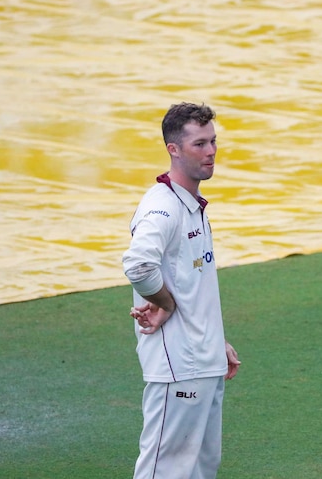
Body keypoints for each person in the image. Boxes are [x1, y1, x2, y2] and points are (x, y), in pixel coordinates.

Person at [122, 102, 241, 479]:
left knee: (202, 469)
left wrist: (215, 341)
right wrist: (165, 303)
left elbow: (191, 282)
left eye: (213, 142)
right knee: (166, 472)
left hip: (203, 361)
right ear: (173, 149)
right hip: (179, 367)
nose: (210, 152)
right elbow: (139, 265)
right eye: (199, 144)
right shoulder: (163, 208)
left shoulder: (190, 204)